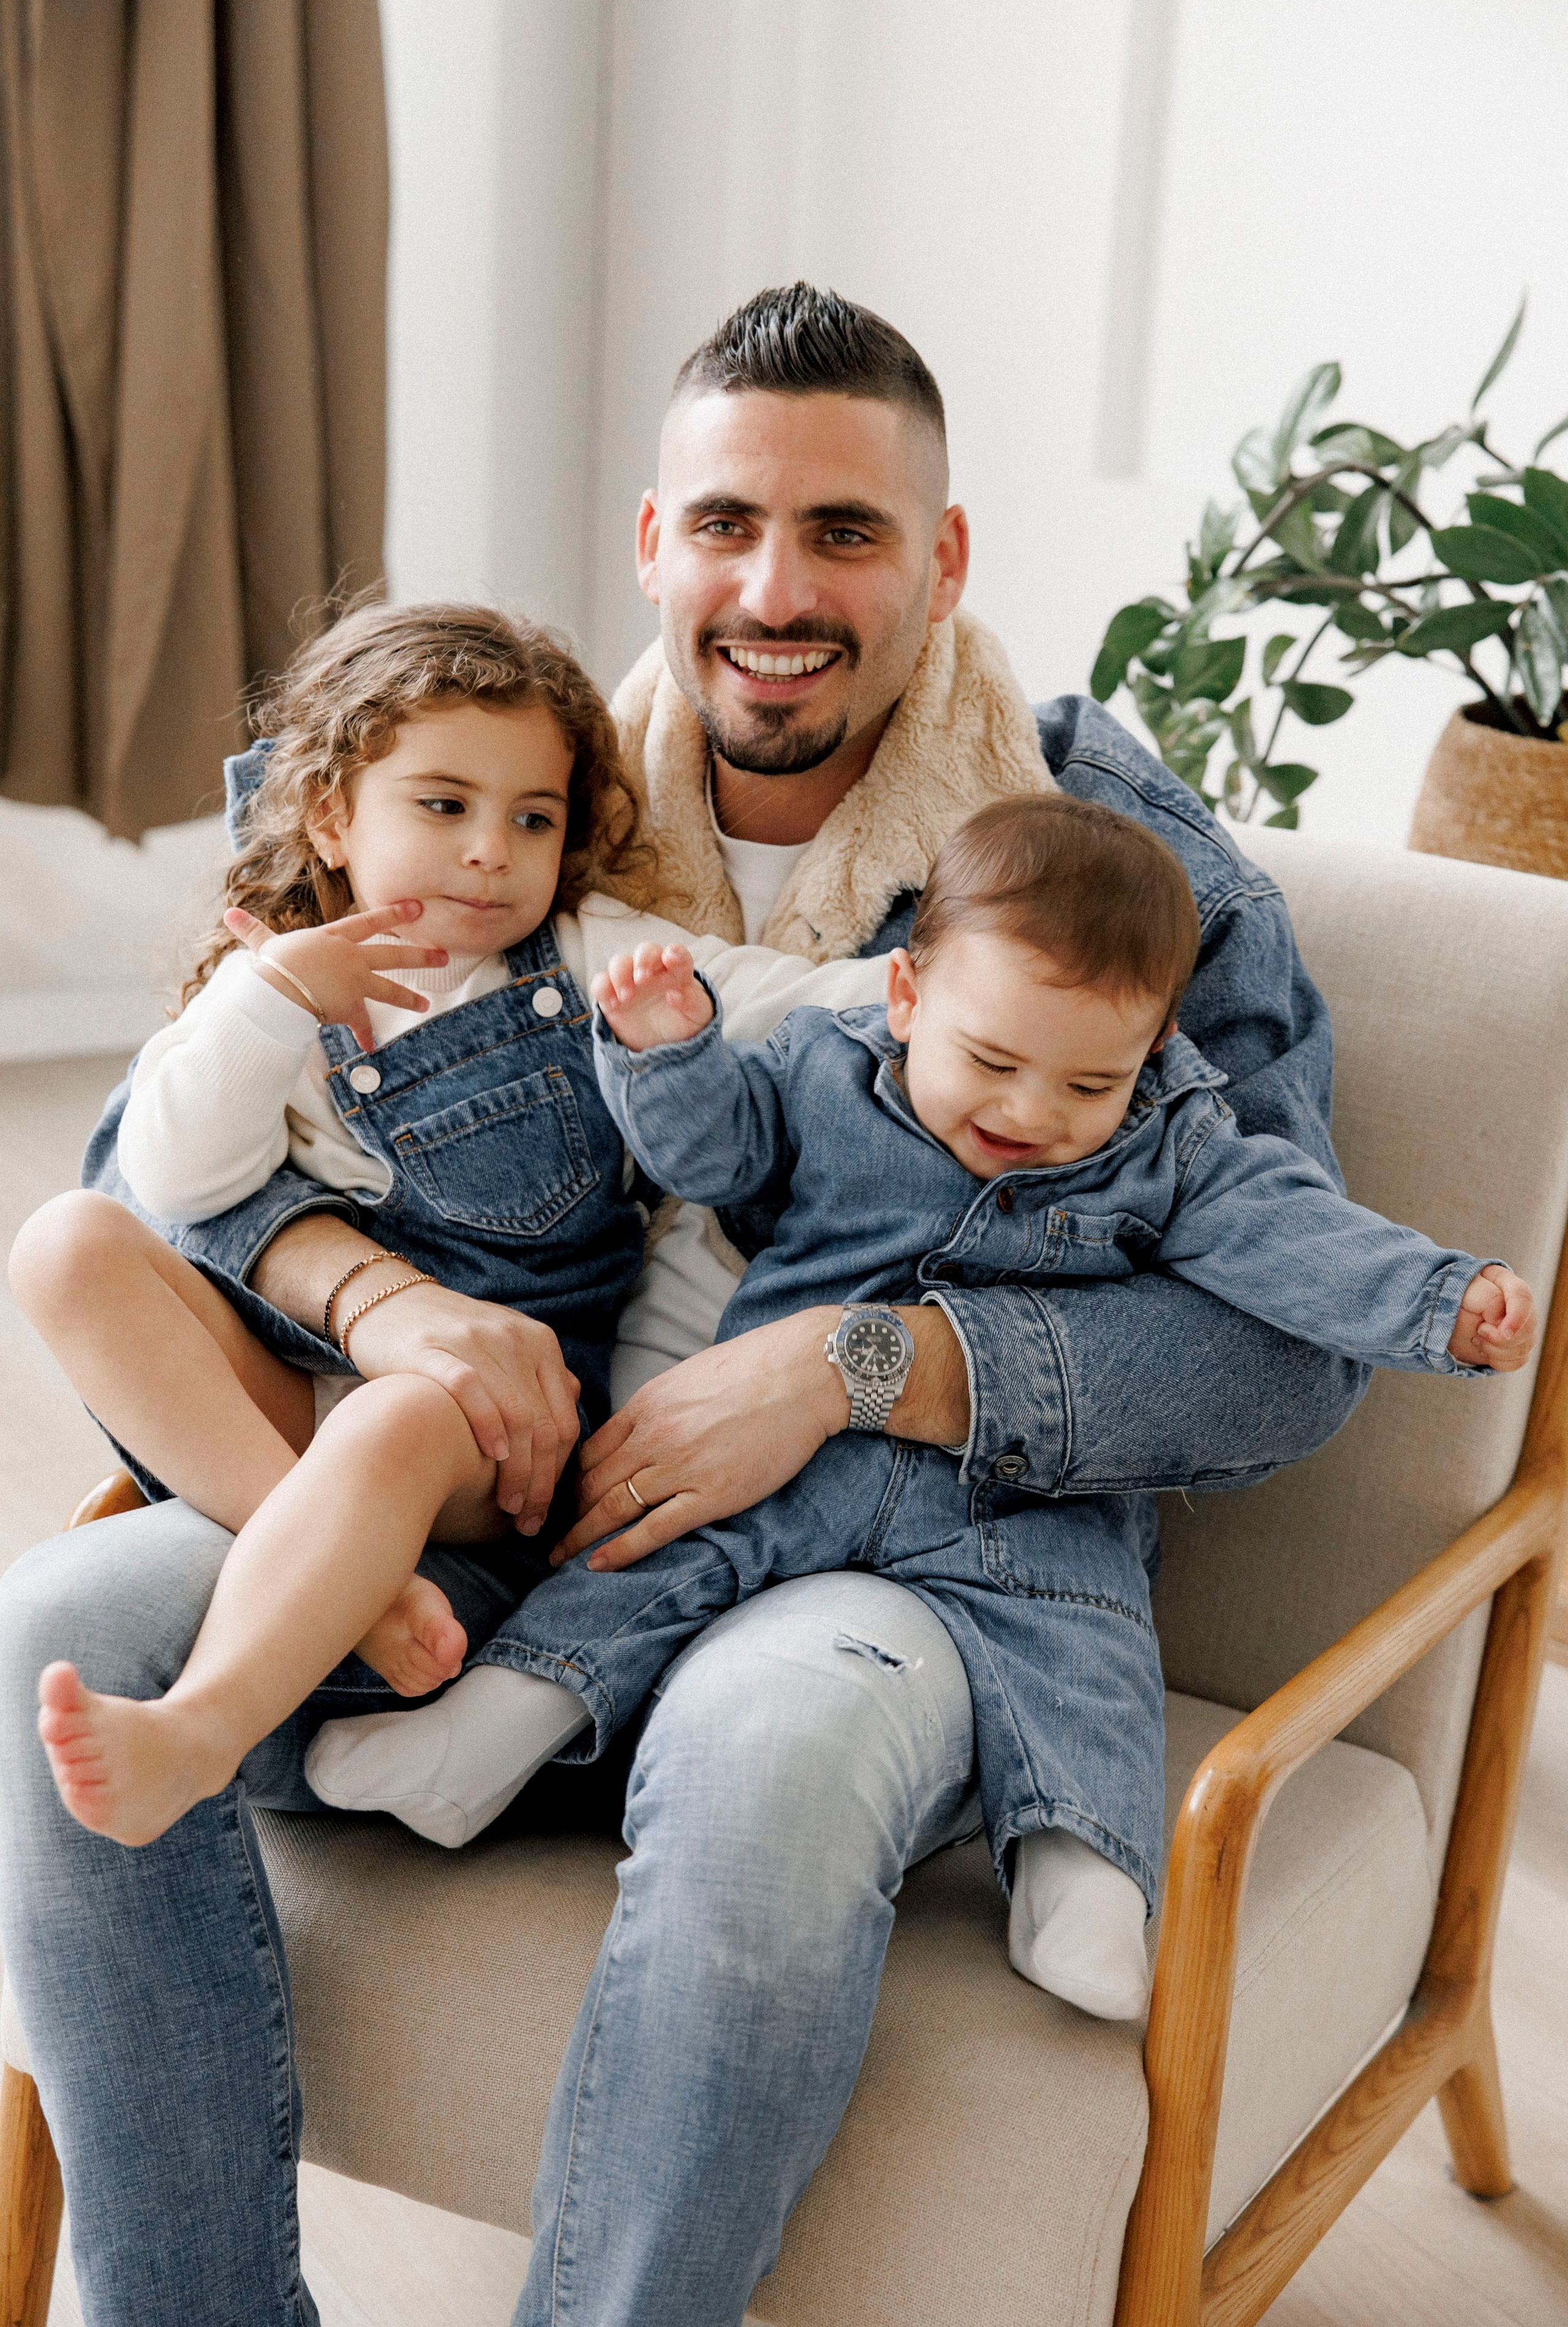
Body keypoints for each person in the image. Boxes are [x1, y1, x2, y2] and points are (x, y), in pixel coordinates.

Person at [0, 284, 1379, 2327]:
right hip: (476, 1510)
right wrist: (380, 1305)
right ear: (652, 541)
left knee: (776, 1762)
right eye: (727, 522)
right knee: (55, 1630)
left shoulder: (1114, 870)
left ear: (946, 559)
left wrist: (857, 1373)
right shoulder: (486, 783)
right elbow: (155, 1174)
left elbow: (1294, 1347)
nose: (777, 584)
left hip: (885, 1564)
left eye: (847, 531)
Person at [324, 794, 1532, 2026]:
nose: (1026, 1114)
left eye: (1087, 1082)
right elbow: (721, 1158)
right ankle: (492, 1730)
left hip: (1021, 1496)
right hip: (792, 1454)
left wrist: (1441, 1302)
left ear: (1158, 1048)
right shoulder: (825, 1065)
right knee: (650, 1548)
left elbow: (1296, 1242)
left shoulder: (1177, 1146)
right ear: (904, 997)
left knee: (1083, 1643)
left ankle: (1086, 1881)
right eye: (991, 1062)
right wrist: (664, 1051)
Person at [13, 597, 897, 1840]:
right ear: (331, 812)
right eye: (442, 806)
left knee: (399, 1413)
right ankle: (350, 1587)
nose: (490, 849)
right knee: (62, 1244)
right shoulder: (269, 982)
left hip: (495, 1441)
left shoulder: (580, 957)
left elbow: (780, 998)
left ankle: (199, 1725)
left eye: (529, 819)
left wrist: (929, 987)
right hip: (293, 1400)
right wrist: (270, 997)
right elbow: (177, 1176)